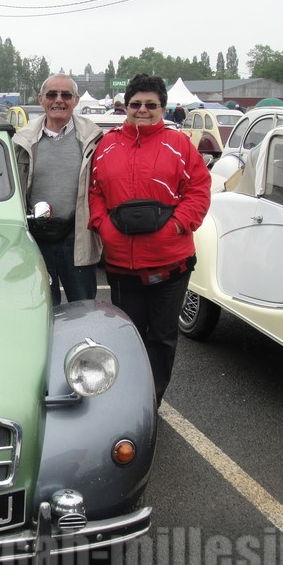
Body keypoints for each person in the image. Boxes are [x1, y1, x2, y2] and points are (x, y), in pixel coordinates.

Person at [88, 73, 211, 407]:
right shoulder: (107, 144)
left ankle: (150, 403)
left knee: (161, 338)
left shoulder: (180, 145)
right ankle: (127, 402)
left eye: (151, 105)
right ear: (126, 107)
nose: (143, 110)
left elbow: (198, 190)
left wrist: (178, 225)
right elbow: (95, 191)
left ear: (162, 108)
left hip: (170, 264)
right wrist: (102, 225)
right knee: (128, 338)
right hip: (122, 266)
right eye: (136, 104)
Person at [13, 73, 104, 306]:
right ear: (41, 99)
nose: (59, 100)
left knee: (83, 307)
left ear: (75, 100)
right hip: (36, 239)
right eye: (52, 94)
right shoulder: (21, 141)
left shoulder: (93, 139)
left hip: (77, 237)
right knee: (41, 307)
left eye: (66, 95)